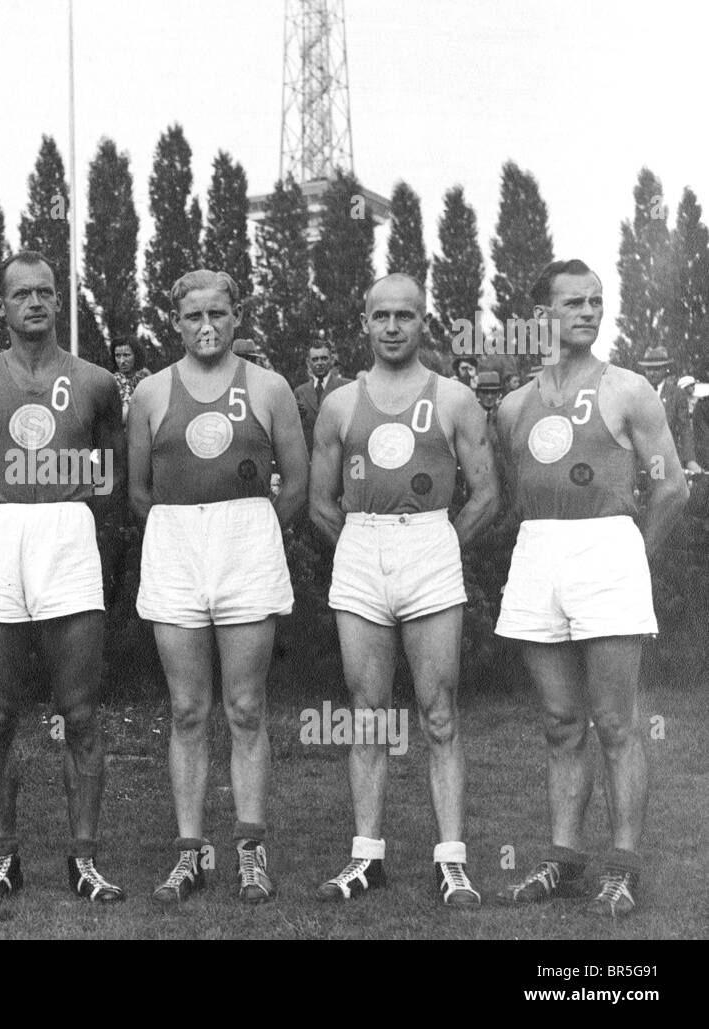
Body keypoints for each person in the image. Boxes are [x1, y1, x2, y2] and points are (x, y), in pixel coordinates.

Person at [494, 260, 688, 918]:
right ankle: (564, 860)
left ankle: (623, 866)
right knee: (559, 722)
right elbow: (515, 494)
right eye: (573, 301)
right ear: (539, 316)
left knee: (616, 722)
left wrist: (632, 553)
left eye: (596, 301)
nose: (588, 311)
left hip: (608, 549)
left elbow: (671, 486)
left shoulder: (628, 389)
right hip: (539, 552)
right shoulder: (514, 406)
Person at [309, 273, 499, 908]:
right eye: (381, 315)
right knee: (366, 713)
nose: (393, 327)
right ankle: (367, 858)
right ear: (364, 323)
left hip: (430, 547)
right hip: (362, 547)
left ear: (424, 323)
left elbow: (486, 495)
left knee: (438, 710)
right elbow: (319, 504)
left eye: (406, 316)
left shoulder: (455, 399)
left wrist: (437, 547)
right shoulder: (339, 402)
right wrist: (367, 551)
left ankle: (452, 861)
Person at [0, 251, 126, 905]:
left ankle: (85, 858)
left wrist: (72, 525)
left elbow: (112, 477)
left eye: (46, 292)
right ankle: (4, 858)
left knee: (79, 712)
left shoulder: (98, 382)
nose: (36, 303)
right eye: (22, 294)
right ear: (2, 307)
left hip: (67, 536)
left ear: (58, 300)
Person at [128, 270, 308, 904]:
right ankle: (189, 852)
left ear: (238, 317)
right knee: (185, 710)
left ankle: (251, 851)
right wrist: (185, 534)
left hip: (247, 542)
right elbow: (139, 493)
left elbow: (298, 484)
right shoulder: (150, 393)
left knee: (246, 707)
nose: (207, 327)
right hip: (175, 544)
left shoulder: (270, 387)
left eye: (218, 315)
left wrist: (250, 532)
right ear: (175, 323)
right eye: (193, 316)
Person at [637, 346, 694, 466]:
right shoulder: (637, 393)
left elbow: (685, 430)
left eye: (656, 369)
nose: (652, 373)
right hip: (641, 460)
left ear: (665, 369)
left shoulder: (677, 394)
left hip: (668, 459)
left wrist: (690, 460)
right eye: (648, 369)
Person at [293, 341, 349, 450]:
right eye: (315, 359)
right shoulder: (300, 392)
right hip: (311, 458)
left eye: (324, 358)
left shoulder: (346, 386)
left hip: (338, 456)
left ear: (332, 360)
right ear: (308, 362)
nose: (319, 363)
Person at [112, 337, 150, 423]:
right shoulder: (111, 382)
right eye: (118, 356)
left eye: (126, 355)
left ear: (136, 355)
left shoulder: (146, 378)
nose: (122, 361)